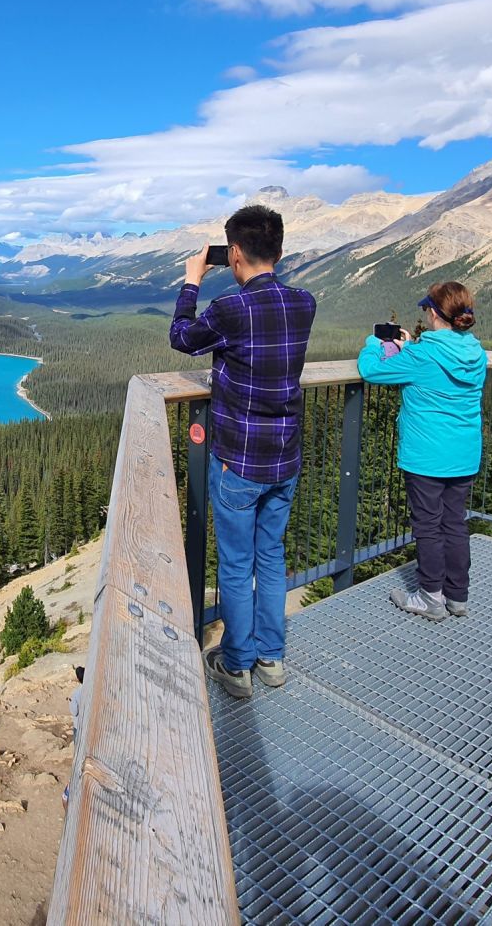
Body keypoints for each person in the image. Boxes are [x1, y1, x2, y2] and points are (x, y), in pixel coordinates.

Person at [170, 204, 316, 700]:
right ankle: (271, 659)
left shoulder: (231, 309)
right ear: (279, 249)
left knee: (235, 564)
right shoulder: (304, 303)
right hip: (285, 459)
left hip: (237, 461)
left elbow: (182, 338)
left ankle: (237, 665)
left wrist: (193, 281)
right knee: (270, 557)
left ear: (233, 253)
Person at [357, 281, 487, 621]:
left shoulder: (423, 355)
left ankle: (430, 597)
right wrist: (411, 347)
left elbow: (371, 370)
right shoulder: (475, 352)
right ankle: (457, 596)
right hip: (464, 453)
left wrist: (375, 343)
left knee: (428, 526)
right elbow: (439, 368)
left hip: (427, 456)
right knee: (455, 523)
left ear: (433, 312)